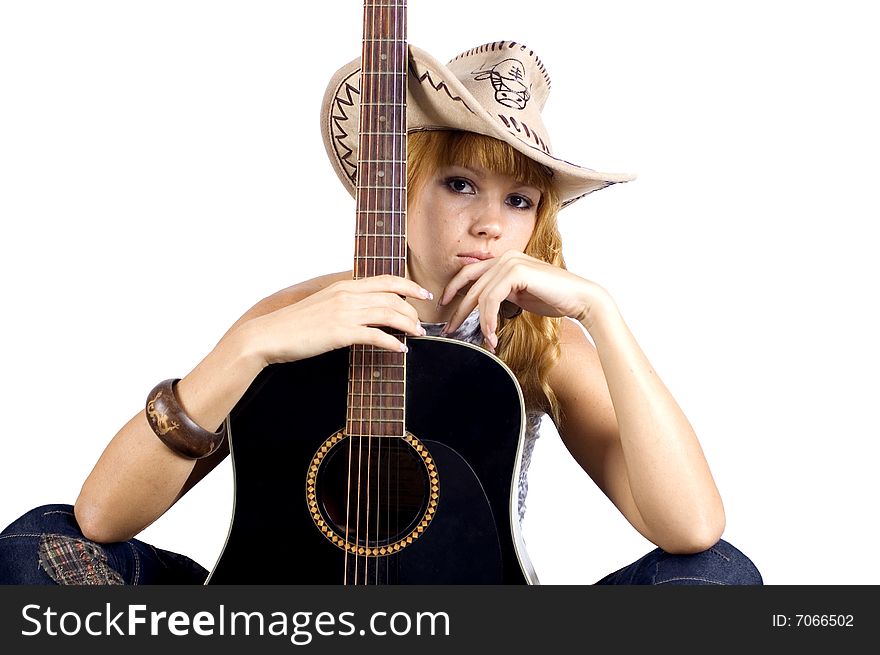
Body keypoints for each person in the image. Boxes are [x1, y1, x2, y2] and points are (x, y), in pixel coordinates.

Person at [0, 40, 761, 585]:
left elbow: (692, 531)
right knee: (36, 542)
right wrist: (251, 348)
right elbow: (101, 517)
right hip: (284, 614)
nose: (491, 223)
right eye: (460, 183)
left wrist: (601, 312)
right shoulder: (296, 315)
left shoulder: (540, 345)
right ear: (399, 184)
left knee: (718, 583)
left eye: (520, 199)